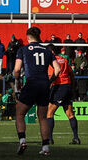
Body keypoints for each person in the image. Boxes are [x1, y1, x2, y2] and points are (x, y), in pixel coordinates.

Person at [13, 26, 56, 156]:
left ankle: (22, 141)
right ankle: (46, 147)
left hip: (31, 83)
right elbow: (57, 69)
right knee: (42, 117)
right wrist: (49, 81)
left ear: (28, 37)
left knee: (20, 114)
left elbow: (16, 69)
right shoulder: (48, 51)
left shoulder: (23, 49)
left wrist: (17, 80)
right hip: (44, 84)